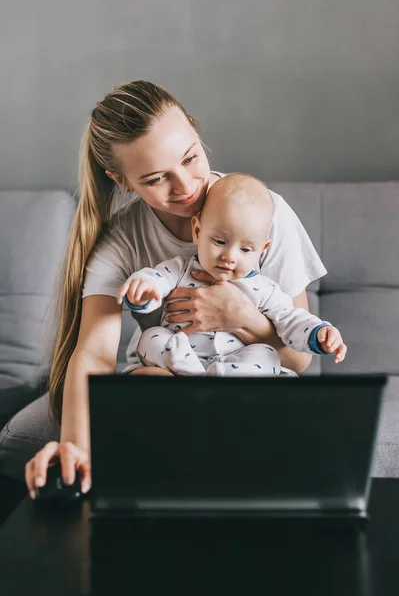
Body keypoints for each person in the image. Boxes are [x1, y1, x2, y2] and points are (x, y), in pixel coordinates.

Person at [24, 79, 327, 499]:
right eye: (155, 178)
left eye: (190, 158)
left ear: (196, 131)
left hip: (248, 376)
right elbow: (94, 351)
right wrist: (74, 448)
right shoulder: (123, 239)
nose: (185, 186)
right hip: (168, 378)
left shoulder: (263, 215)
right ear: (123, 181)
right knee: (143, 385)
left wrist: (239, 318)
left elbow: (298, 358)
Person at [118, 173, 346, 376]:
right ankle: (190, 370)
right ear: (197, 231)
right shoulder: (180, 268)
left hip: (235, 364)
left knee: (267, 355)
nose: (230, 256)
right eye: (219, 241)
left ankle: (219, 375)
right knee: (150, 338)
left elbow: (291, 320)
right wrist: (143, 291)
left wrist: (319, 333)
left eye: (245, 249)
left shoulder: (264, 289)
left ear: (262, 249)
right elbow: (156, 280)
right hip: (180, 353)